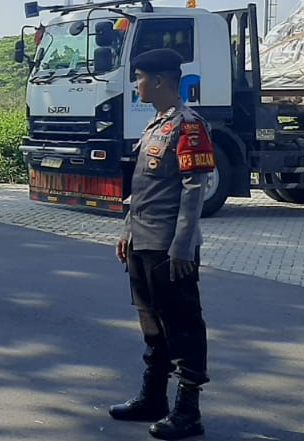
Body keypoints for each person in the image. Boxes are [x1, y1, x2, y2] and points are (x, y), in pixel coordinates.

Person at [110, 47, 215, 440]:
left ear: (158, 81)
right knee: (151, 323)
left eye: (139, 78)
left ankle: (188, 412)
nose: (136, 85)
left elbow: (194, 190)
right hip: (143, 242)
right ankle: (154, 397)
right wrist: (127, 231)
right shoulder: (156, 125)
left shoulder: (189, 126)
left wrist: (182, 247)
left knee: (182, 326)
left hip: (169, 247)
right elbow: (142, 190)